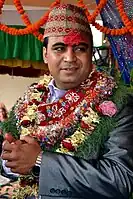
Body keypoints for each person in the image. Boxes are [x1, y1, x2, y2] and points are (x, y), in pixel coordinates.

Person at [1, 3, 133, 199]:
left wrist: (39, 161)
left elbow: (120, 179)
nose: (69, 58)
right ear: (45, 54)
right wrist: (9, 161)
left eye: (80, 48)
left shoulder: (118, 103)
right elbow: (9, 154)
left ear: (90, 54)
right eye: (59, 48)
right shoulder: (30, 99)